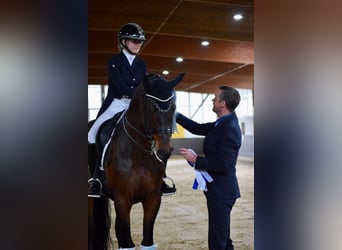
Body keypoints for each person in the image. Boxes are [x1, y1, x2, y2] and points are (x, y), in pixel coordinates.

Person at [88, 22, 176, 198]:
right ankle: (96, 178)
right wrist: (140, 93)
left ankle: (162, 177)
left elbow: (143, 85)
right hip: (117, 102)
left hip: (136, 105)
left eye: (140, 41)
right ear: (122, 42)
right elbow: (120, 87)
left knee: (157, 132)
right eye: (133, 40)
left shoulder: (142, 64)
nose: (137, 44)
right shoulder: (114, 61)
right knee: (91, 134)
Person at [177, 86, 242, 250]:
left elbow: (225, 165)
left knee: (217, 241)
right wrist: (175, 114)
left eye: (215, 98)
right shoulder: (221, 123)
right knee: (222, 238)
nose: (212, 100)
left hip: (222, 191)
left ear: (223, 103)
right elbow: (197, 128)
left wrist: (197, 159)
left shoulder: (230, 128)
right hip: (219, 190)